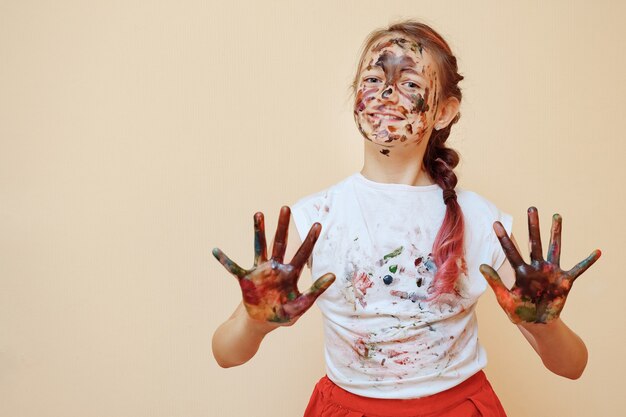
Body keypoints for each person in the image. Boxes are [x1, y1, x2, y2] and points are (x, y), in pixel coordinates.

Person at [211, 19, 602, 417]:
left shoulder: (481, 220)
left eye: (410, 83)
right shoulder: (316, 218)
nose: (385, 92)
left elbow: (572, 366)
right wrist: (255, 321)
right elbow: (226, 353)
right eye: (373, 78)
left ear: (445, 112)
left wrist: (544, 323)